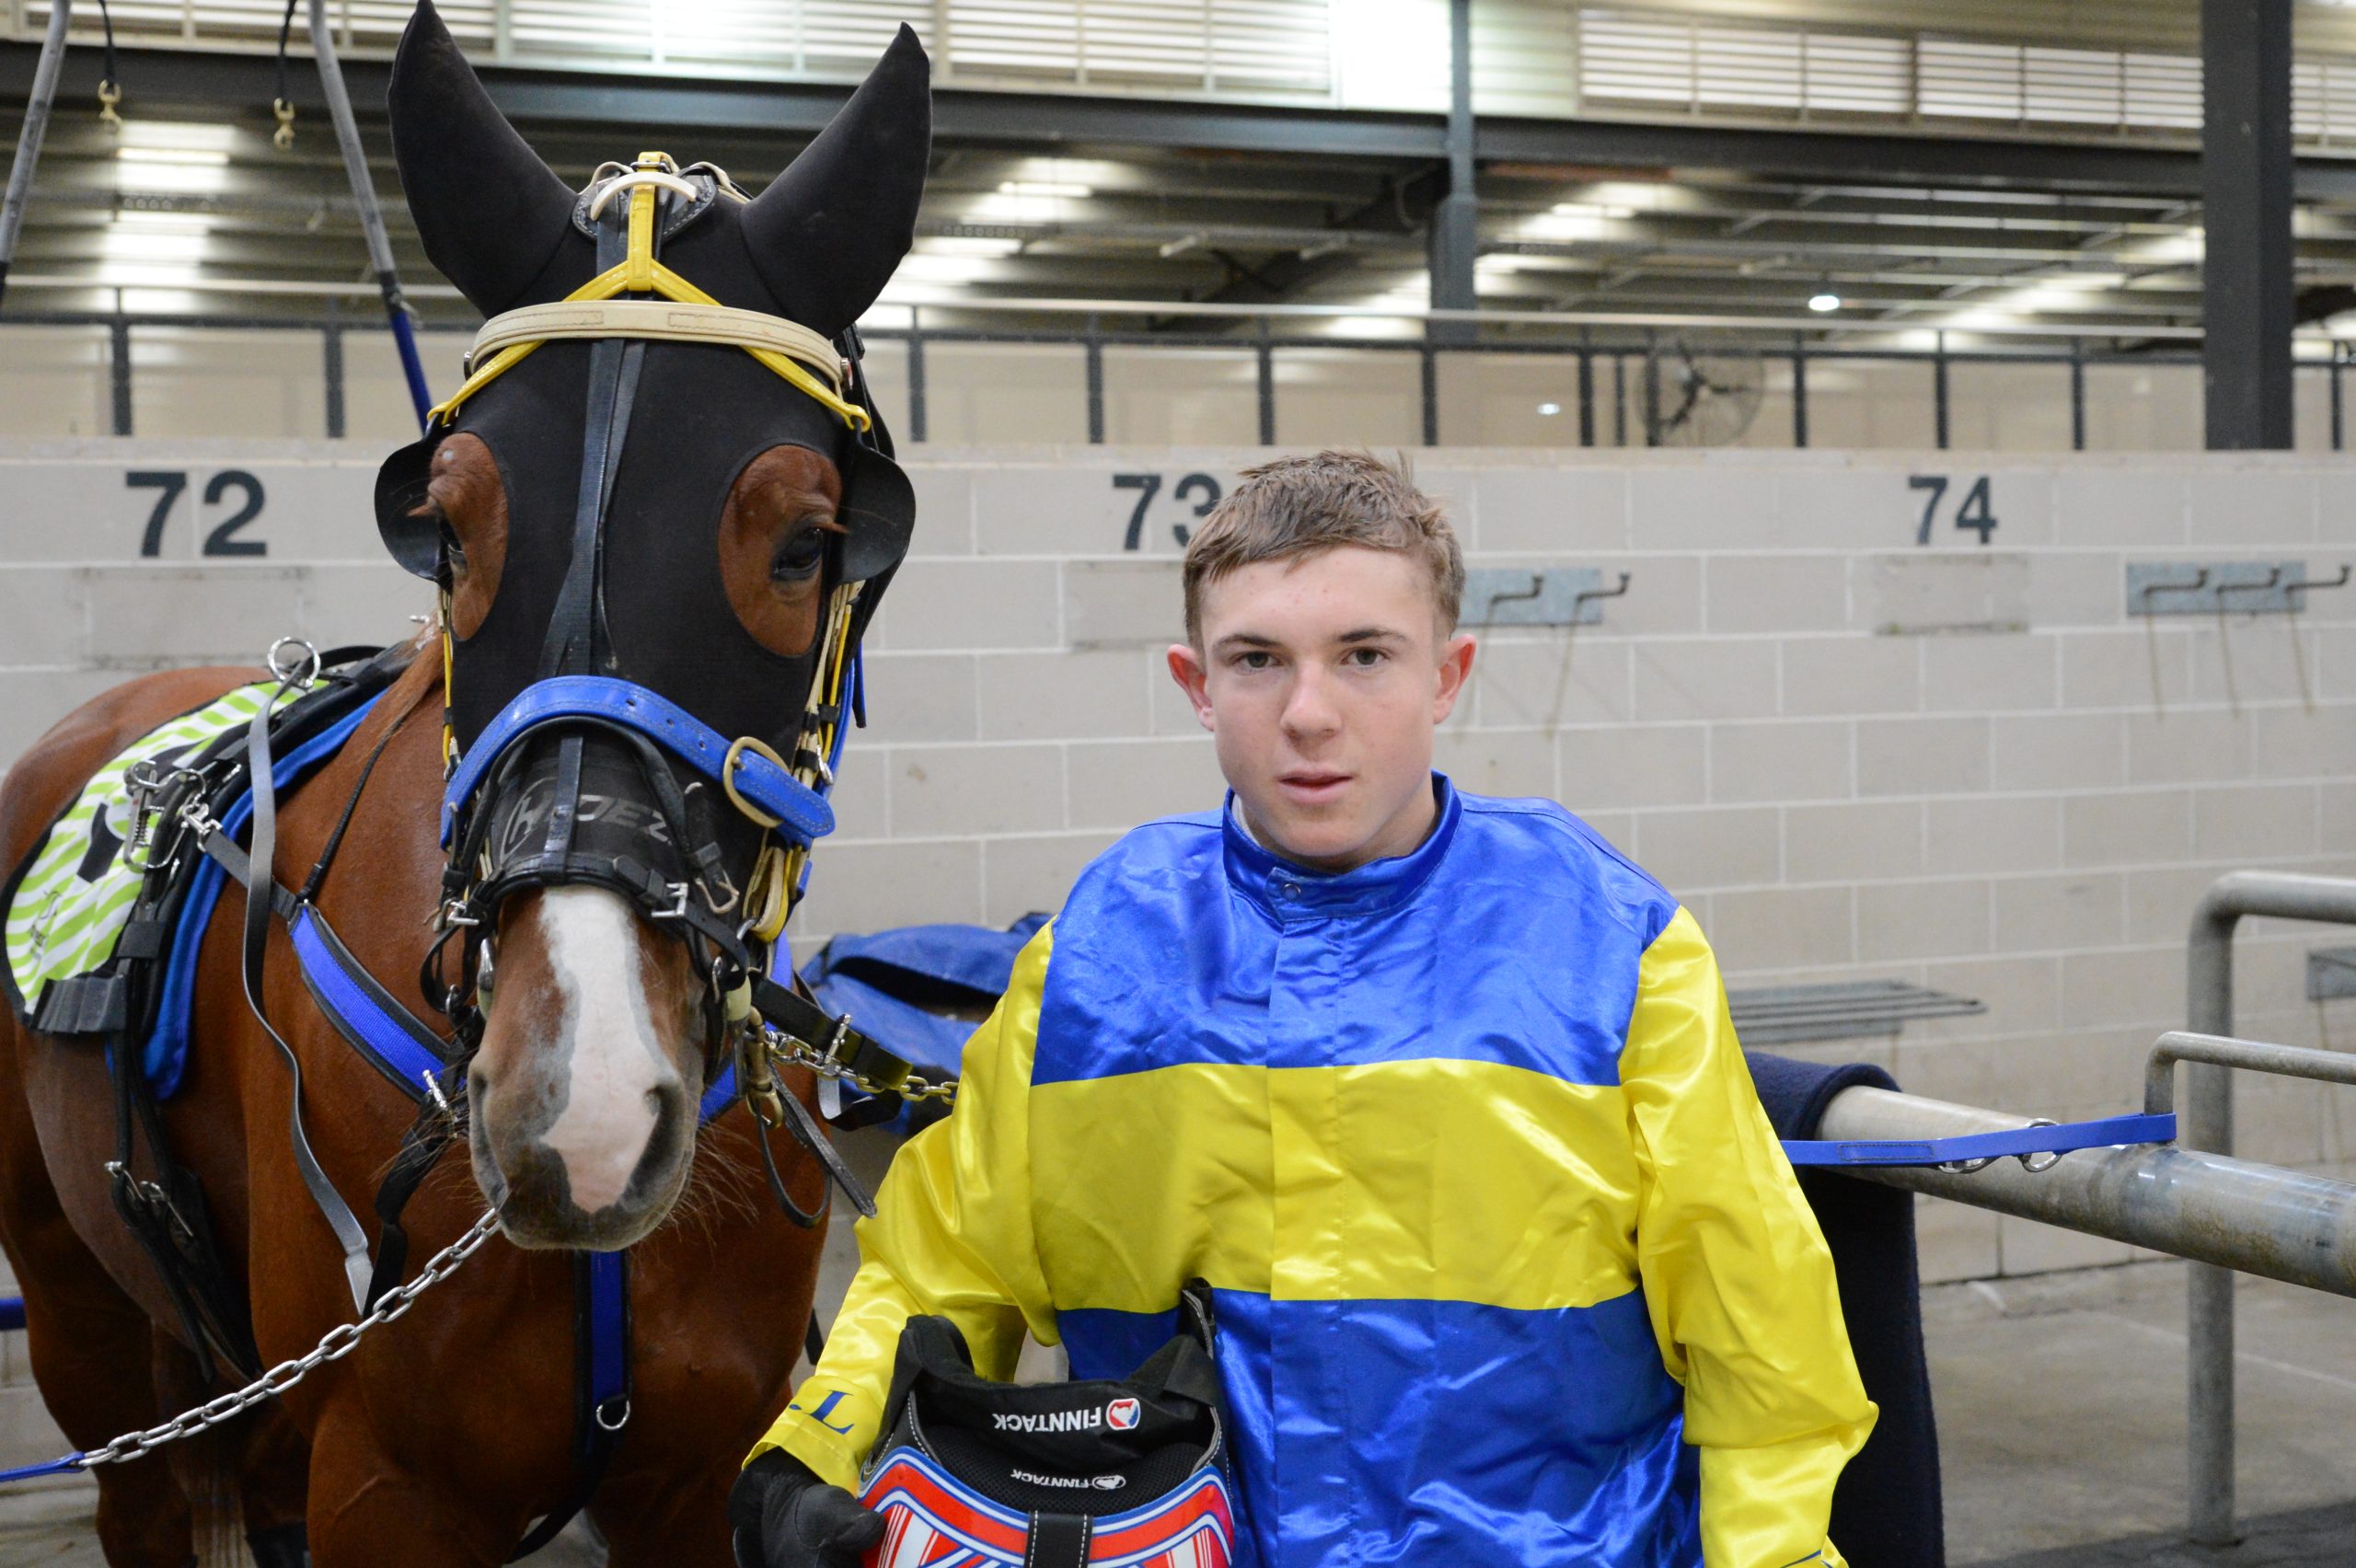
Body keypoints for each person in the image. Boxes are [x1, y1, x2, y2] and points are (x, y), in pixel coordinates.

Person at [731, 449, 1876, 1567]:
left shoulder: (1608, 943)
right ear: (1197, 684)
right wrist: (815, 1456)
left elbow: (1756, 1340)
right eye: (1258, 660)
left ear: (1449, 673)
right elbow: (944, 1270)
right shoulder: (1099, 957)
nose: (1310, 713)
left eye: (1366, 655)